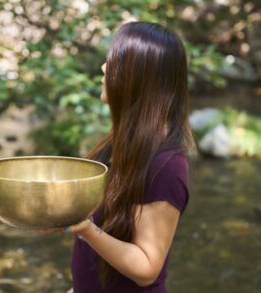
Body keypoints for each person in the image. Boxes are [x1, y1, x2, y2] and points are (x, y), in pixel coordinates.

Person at [65, 21, 196, 293]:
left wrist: (86, 230)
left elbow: (147, 268)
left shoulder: (167, 165)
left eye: (114, 62)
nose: (103, 68)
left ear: (138, 78)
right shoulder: (121, 143)